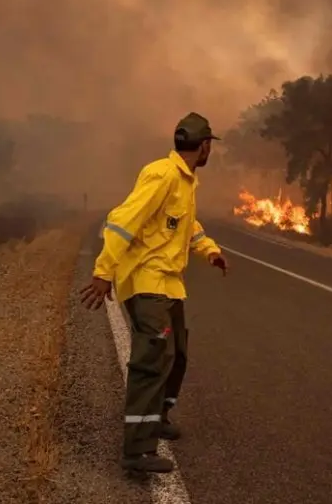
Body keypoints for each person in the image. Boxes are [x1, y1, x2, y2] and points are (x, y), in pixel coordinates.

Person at [80, 112, 228, 474]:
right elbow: (122, 220)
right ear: (204, 145)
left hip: (169, 282)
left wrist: (209, 249)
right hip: (146, 282)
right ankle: (138, 449)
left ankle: (157, 416)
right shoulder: (161, 174)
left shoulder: (186, 180)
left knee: (176, 353)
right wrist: (103, 273)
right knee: (150, 359)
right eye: (210, 144)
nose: (211, 150)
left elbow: (186, 226)